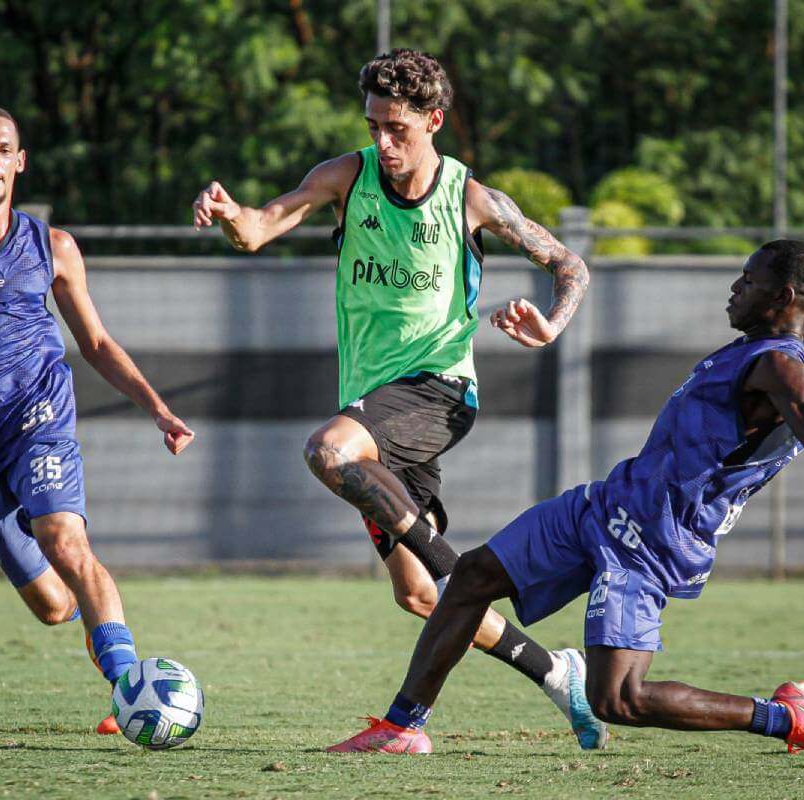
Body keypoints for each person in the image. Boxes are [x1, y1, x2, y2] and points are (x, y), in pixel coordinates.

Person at [328, 240, 804, 754]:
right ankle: (403, 727)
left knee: (618, 699)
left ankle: (784, 717)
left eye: (749, 281)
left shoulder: (784, 370)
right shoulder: (757, 354)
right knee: (473, 576)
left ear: (783, 296)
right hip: (605, 506)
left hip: (650, 544)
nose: (734, 288)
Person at [193, 49, 604, 748]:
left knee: (327, 450)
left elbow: (570, 264)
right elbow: (260, 229)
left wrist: (551, 324)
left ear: (434, 121)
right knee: (419, 594)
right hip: (374, 406)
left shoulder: (470, 197)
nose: (383, 142)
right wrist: (233, 213)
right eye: (374, 125)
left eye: (398, 129)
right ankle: (552, 671)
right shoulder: (344, 177)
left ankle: (465, 574)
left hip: (440, 390)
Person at [0, 105, 195, 735]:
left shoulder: (52, 246)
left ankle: (132, 687)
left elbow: (98, 343)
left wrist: (158, 409)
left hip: (39, 417)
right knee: (54, 605)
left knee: (64, 538)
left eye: (2, 149)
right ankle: (95, 620)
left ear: (19, 163)